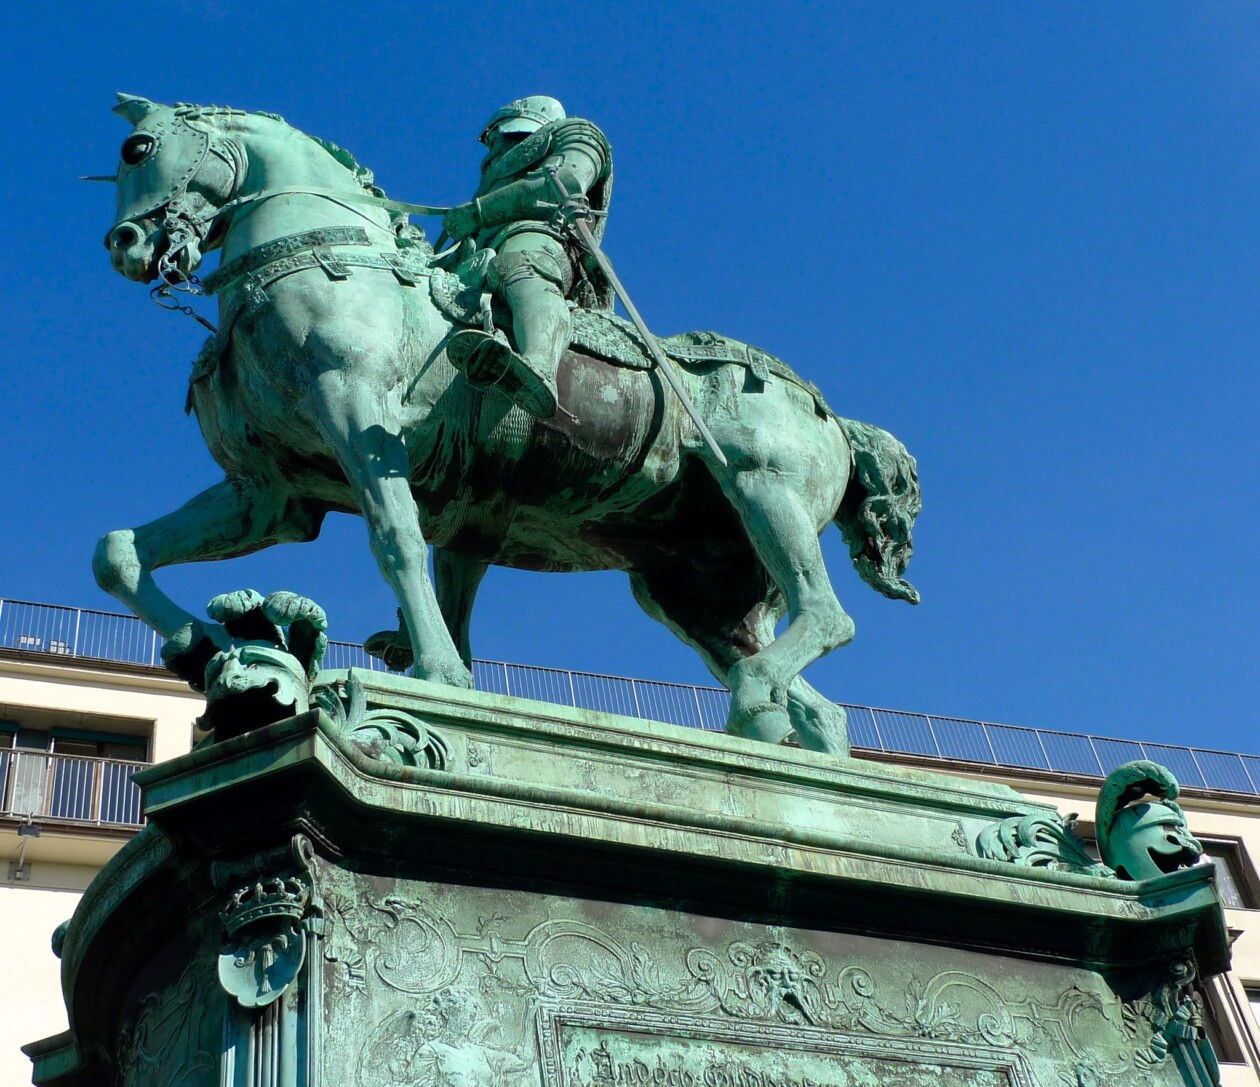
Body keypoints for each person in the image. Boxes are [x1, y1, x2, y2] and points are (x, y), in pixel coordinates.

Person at [442, 96, 613, 418]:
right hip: (479, 251)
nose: (492, 150)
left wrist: (479, 212)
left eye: (495, 140)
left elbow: (565, 179)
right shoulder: (492, 177)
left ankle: (540, 365)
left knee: (519, 265)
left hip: (543, 236)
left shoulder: (575, 132)